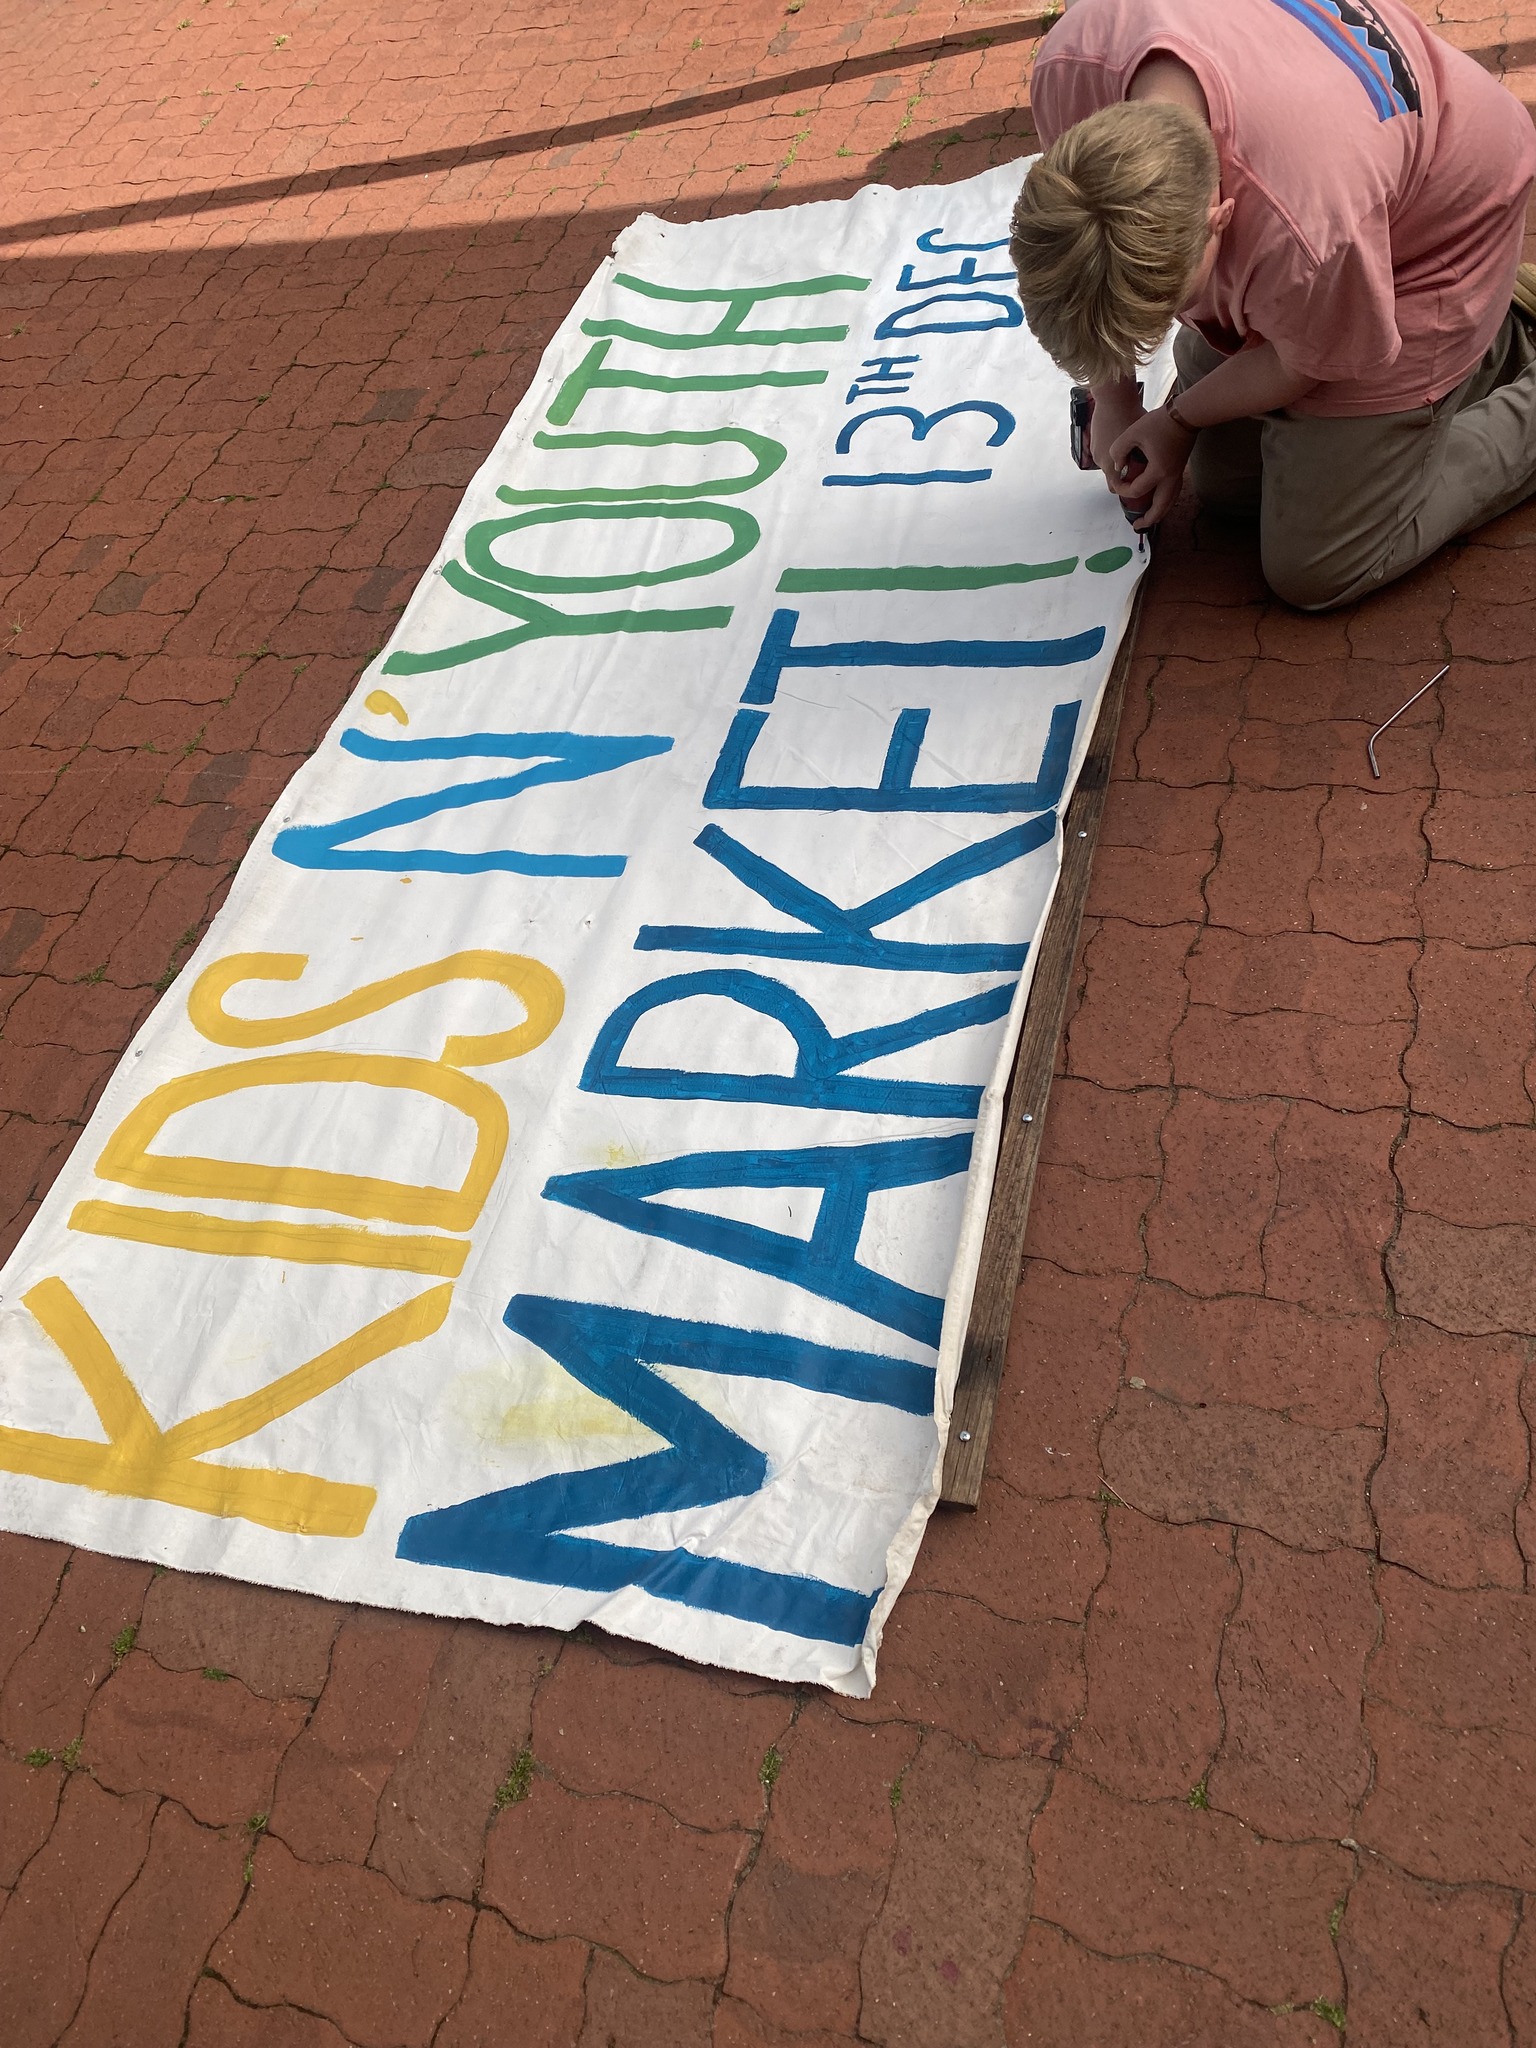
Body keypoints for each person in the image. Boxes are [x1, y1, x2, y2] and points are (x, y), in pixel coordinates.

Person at [1010, 0, 1536, 610]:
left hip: (1447, 227)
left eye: (1175, 304)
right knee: (1227, 486)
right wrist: (1116, 398)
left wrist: (1178, 419)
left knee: (1319, 562)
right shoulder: (1070, 68)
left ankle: (1496, 337)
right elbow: (1090, 252)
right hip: (1346, 188)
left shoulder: (1306, 227)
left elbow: (1300, 362)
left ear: (1220, 220)